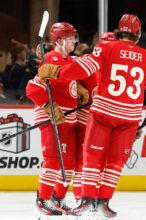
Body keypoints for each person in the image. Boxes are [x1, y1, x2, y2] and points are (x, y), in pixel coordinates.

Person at [37, 14, 146, 218]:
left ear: (119, 31)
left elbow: (82, 68)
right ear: (138, 34)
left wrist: (56, 72)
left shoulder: (106, 47)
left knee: (91, 157)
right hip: (130, 117)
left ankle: (86, 201)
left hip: (104, 113)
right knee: (115, 162)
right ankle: (104, 203)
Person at [26, 22, 89, 218]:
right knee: (53, 160)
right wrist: (48, 106)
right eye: (71, 38)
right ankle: (41, 200)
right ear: (60, 40)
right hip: (53, 120)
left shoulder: (68, 59)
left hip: (67, 120)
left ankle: (55, 199)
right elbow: (33, 89)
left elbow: (65, 82)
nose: (75, 41)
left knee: (67, 163)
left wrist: (78, 89)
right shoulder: (51, 59)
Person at [72, 31, 116, 202]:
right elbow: (63, 74)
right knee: (84, 162)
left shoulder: (120, 66)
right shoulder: (86, 61)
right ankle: (81, 199)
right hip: (86, 121)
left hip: (107, 121)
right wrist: (77, 85)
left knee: (102, 163)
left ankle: (93, 198)